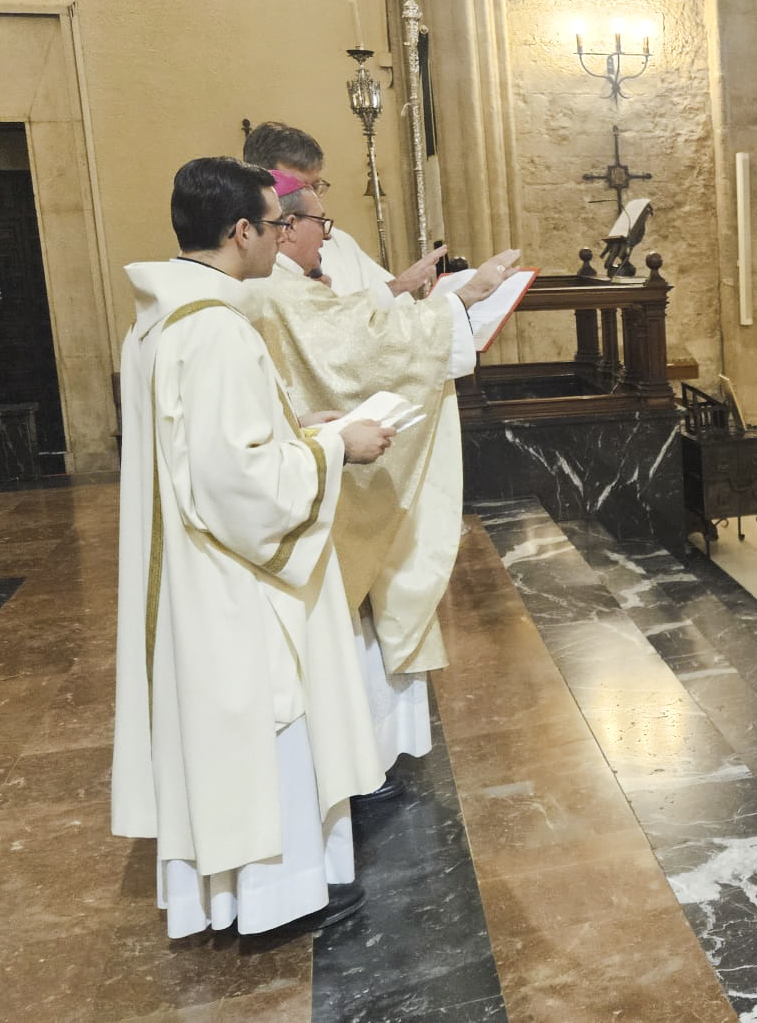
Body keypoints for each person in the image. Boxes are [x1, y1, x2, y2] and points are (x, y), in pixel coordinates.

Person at [114, 157, 393, 937]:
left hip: (194, 576)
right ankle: (277, 894)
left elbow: (209, 454)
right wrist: (340, 450)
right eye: (275, 226)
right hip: (235, 583)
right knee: (266, 718)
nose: (282, 240)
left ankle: (236, 894)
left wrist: (309, 433)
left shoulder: (161, 319)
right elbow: (242, 487)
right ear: (240, 232)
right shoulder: (214, 331)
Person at [250, 170, 520, 791]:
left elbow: (345, 321)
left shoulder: (286, 282)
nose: (327, 234)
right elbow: (349, 347)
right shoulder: (276, 290)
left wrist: (407, 292)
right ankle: (360, 761)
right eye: (322, 221)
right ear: (284, 227)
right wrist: (461, 302)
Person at [243, 121, 436, 299]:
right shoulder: (251, 261)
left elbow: (399, 308)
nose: (311, 198)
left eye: (315, 186)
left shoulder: (339, 243)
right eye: (300, 187)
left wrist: (400, 288)